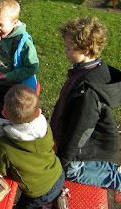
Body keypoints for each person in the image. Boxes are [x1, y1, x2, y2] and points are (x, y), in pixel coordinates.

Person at [50, 16, 121, 204]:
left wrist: (64, 160)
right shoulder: (85, 69)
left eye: (69, 48)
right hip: (77, 138)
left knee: (69, 170)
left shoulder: (88, 91)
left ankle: (116, 178)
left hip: (88, 147)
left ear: (86, 50)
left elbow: (80, 130)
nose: (64, 51)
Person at [0, 84, 66, 208]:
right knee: (49, 193)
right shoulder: (44, 127)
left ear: (4, 114)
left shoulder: (5, 145)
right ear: (38, 112)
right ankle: (56, 198)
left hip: (37, 191)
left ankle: (48, 203)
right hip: (58, 174)